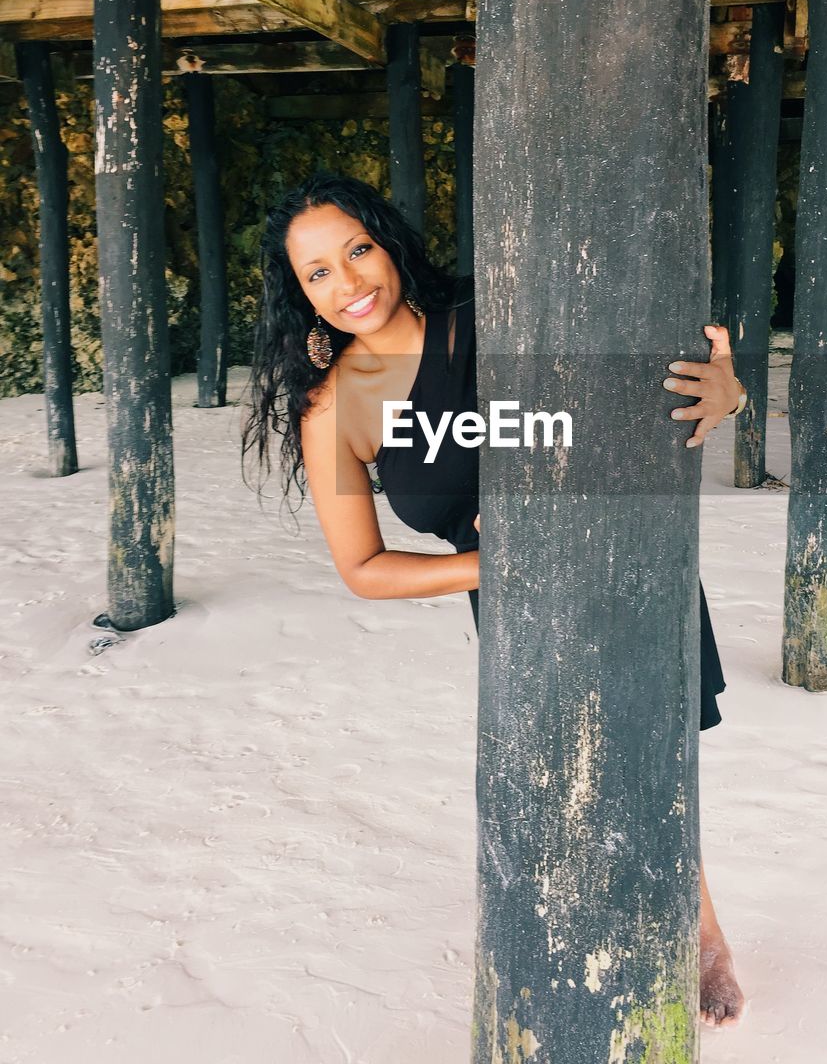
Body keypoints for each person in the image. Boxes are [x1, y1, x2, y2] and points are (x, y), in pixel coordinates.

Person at [242, 171, 746, 1028]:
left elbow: (623, 406)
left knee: (658, 756)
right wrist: (500, 565)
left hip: (627, 563)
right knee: (567, 780)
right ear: (300, 296)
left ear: (389, 243)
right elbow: (363, 566)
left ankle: (703, 935)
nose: (348, 282)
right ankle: (602, 930)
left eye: (356, 250)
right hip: (513, 606)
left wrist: (725, 388)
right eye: (318, 272)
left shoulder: (495, 315)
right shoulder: (329, 410)